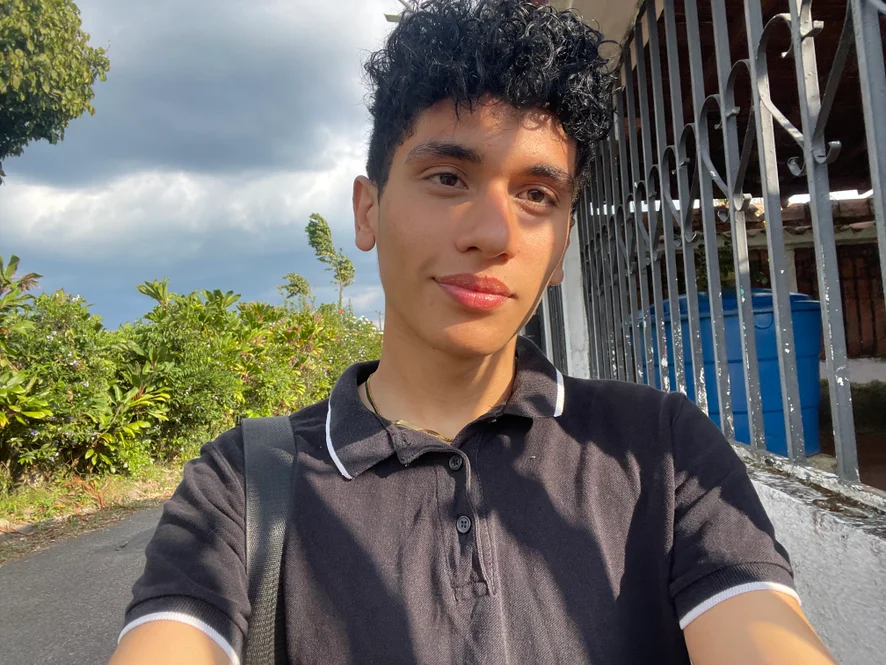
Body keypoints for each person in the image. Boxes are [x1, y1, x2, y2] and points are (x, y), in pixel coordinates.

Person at [109, 1, 836, 663]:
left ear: (562, 244)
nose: (494, 233)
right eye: (448, 178)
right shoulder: (244, 483)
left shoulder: (660, 448)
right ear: (367, 210)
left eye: (536, 194)